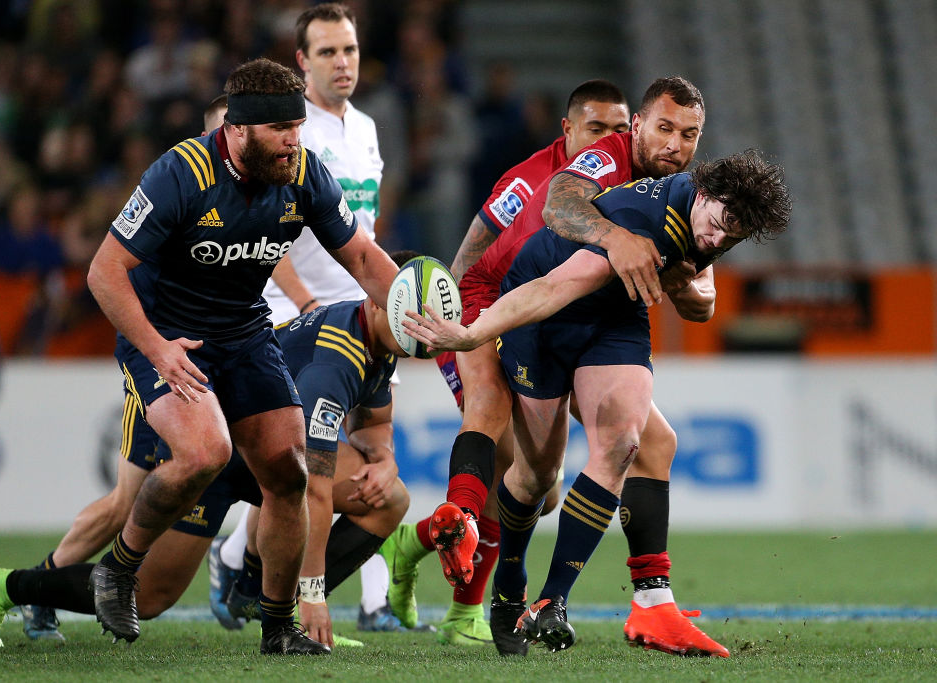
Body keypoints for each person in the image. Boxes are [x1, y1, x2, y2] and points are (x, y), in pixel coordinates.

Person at [403, 149, 792, 653]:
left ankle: (552, 602)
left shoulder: (709, 218)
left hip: (614, 316)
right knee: (539, 475)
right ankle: (508, 588)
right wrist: (471, 334)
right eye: (718, 226)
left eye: (731, 237)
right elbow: (552, 287)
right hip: (543, 315)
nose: (718, 240)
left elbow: (701, 300)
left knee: (626, 441)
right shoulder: (643, 223)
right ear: (705, 194)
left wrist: (696, 293)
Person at [384, 77, 720, 656]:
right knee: (520, 459)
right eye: (659, 128)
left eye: (687, 134)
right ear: (573, 131)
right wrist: (454, 312)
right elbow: (533, 218)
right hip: (513, 303)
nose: (671, 143)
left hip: (584, 313)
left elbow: (702, 289)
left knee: (633, 449)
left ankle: (647, 601)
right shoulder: (562, 172)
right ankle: (462, 562)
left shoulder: (680, 189)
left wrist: (692, 289)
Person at [84, 57, 398, 654]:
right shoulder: (181, 173)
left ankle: (278, 627)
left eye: (298, 127)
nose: (293, 141)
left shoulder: (302, 170)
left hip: (244, 332)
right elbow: (104, 272)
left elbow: (360, 257)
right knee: (205, 453)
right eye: (280, 129)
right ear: (236, 130)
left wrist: (417, 313)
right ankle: (119, 568)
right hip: (167, 333)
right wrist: (156, 349)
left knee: (289, 472)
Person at [0, 262, 415, 650]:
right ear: (376, 302)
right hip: (217, 446)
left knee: (387, 495)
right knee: (150, 592)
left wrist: (386, 458)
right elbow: (312, 486)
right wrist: (315, 593)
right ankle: (8, 586)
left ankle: (264, 597)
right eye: (407, 324)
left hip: (260, 452)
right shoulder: (335, 359)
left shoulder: (379, 341)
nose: (414, 337)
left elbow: (372, 425)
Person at [211, 3, 404, 635]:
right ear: (302, 61)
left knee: (364, 463)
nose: (342, 62)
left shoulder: (367, 128)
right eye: (327, 52)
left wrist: (389, 299)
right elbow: (261, 233)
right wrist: (303, 301)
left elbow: (363, 230)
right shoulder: (291, 132)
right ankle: (250, 567)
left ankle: (249, 564)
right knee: (302, 466)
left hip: (361, 316)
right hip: (291, 318)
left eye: (348, 49)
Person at [14, 95, 230, 643]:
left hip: (226, 362)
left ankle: (241, 570)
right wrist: (154, 347)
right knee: (125, 503)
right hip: (169, 365)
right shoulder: (178, 190)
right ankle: (40, 587)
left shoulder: (268, 198)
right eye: (226, 129)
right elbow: (111, 270)